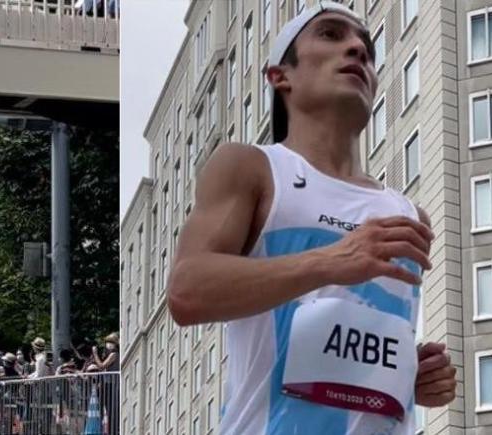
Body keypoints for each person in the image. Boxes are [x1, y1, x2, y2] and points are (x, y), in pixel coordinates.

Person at [166, 3, 457, 434]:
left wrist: (410, 376)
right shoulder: (251, 167)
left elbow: (341, 351)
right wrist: (329, 260)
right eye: (331, 35)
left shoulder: (409, 214)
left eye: (367, 47)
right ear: (279, 75)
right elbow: (187, 292)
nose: (357, 48)